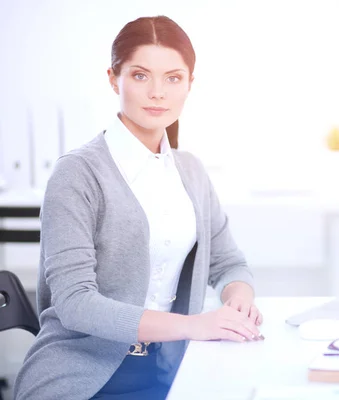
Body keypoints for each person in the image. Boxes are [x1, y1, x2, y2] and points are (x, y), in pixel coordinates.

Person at [14, 15, 263, 400]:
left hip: (173, 370)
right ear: (114, 79)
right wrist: (191, 325)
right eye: (141, 75)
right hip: (80, 375)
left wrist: (238, 300)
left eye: (173, 78)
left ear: (190, 84)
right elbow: (76, 303)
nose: (158, 93)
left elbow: (229, 263)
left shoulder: (191, 171)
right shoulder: (77, 174)